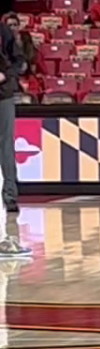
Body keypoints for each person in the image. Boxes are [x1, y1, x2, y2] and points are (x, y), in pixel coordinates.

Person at [0, 18, 25, 215]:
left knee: (5, 146)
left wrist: (6, 76)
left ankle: (9, 196)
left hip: (2, 95)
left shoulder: (4, 32)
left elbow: (19, 61)